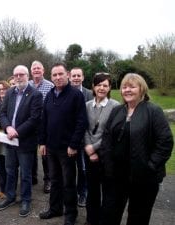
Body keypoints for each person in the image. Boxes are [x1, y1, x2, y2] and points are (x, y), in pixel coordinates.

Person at [99, 73, 173, 225]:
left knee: (138, 218)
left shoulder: (154, 111)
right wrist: (107, 164)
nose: (127, 90)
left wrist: (150, 166)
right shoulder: (117, 110)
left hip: (144, 178)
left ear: (142, 89)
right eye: (124, 87)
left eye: (132, 87)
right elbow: (107, 139)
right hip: (116, 176)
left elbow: (165, 142)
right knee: (109, 215)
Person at [39, 63, 88, 225]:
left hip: (68, 149)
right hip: (51, 148)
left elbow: (82, 122)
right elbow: (44, 120)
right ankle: (55, 209)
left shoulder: (76, 95)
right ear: (51, 77)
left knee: (68, 183)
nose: (58, 77)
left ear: (67, 74)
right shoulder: (50, 95)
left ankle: (71, 213)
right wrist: (42, 142)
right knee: (55, 181)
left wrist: (73, 145)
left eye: (60, 74)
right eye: (54, 75)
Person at [0, 65, 43, 217]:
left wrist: (17, 132)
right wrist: (8, 127)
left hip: (25, 141)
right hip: (10, 140)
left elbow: (35, 119)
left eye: (21, 74)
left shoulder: (35, 94)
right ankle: (10, 197)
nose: (18, 77)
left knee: (26, 174)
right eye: (16, 75)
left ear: (27, 76)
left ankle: (26, 200)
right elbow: (2, 113)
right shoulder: (9, 92)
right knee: (10, 171)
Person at [84, 73, 119, 225]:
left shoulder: (116, 106)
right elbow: (84, 128)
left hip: (107, 156)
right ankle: (91, 219)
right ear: (93, 86)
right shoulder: (87, 105)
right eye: (99, 85)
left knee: (108, 191)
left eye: (105, 85)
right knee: (92, 191)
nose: (101, 88)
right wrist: (88, 147)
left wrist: (94, 147)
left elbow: (111, 133)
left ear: (110, 87)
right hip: (88, 154)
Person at [69, 67, 93, 207]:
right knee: (69, 169)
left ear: (83, 77)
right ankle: (71, 193)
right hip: (69, 139)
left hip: (85, 139)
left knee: (83, 169)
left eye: (79, 75)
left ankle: (82, 194)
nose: (76, 78)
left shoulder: (89, 94)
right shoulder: (65, 93)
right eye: (74, 75)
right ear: (70, 77)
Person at [29, 60, 54, 193]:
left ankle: (48, 180)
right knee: (31, 152)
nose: (36, 70)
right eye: (34, 68)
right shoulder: (28, 85)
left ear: (43, 70)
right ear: (31, 71)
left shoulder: (50, 86)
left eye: (39, 68)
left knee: (45, 155)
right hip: (30, 125)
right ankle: (33, 177)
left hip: (45, 125)